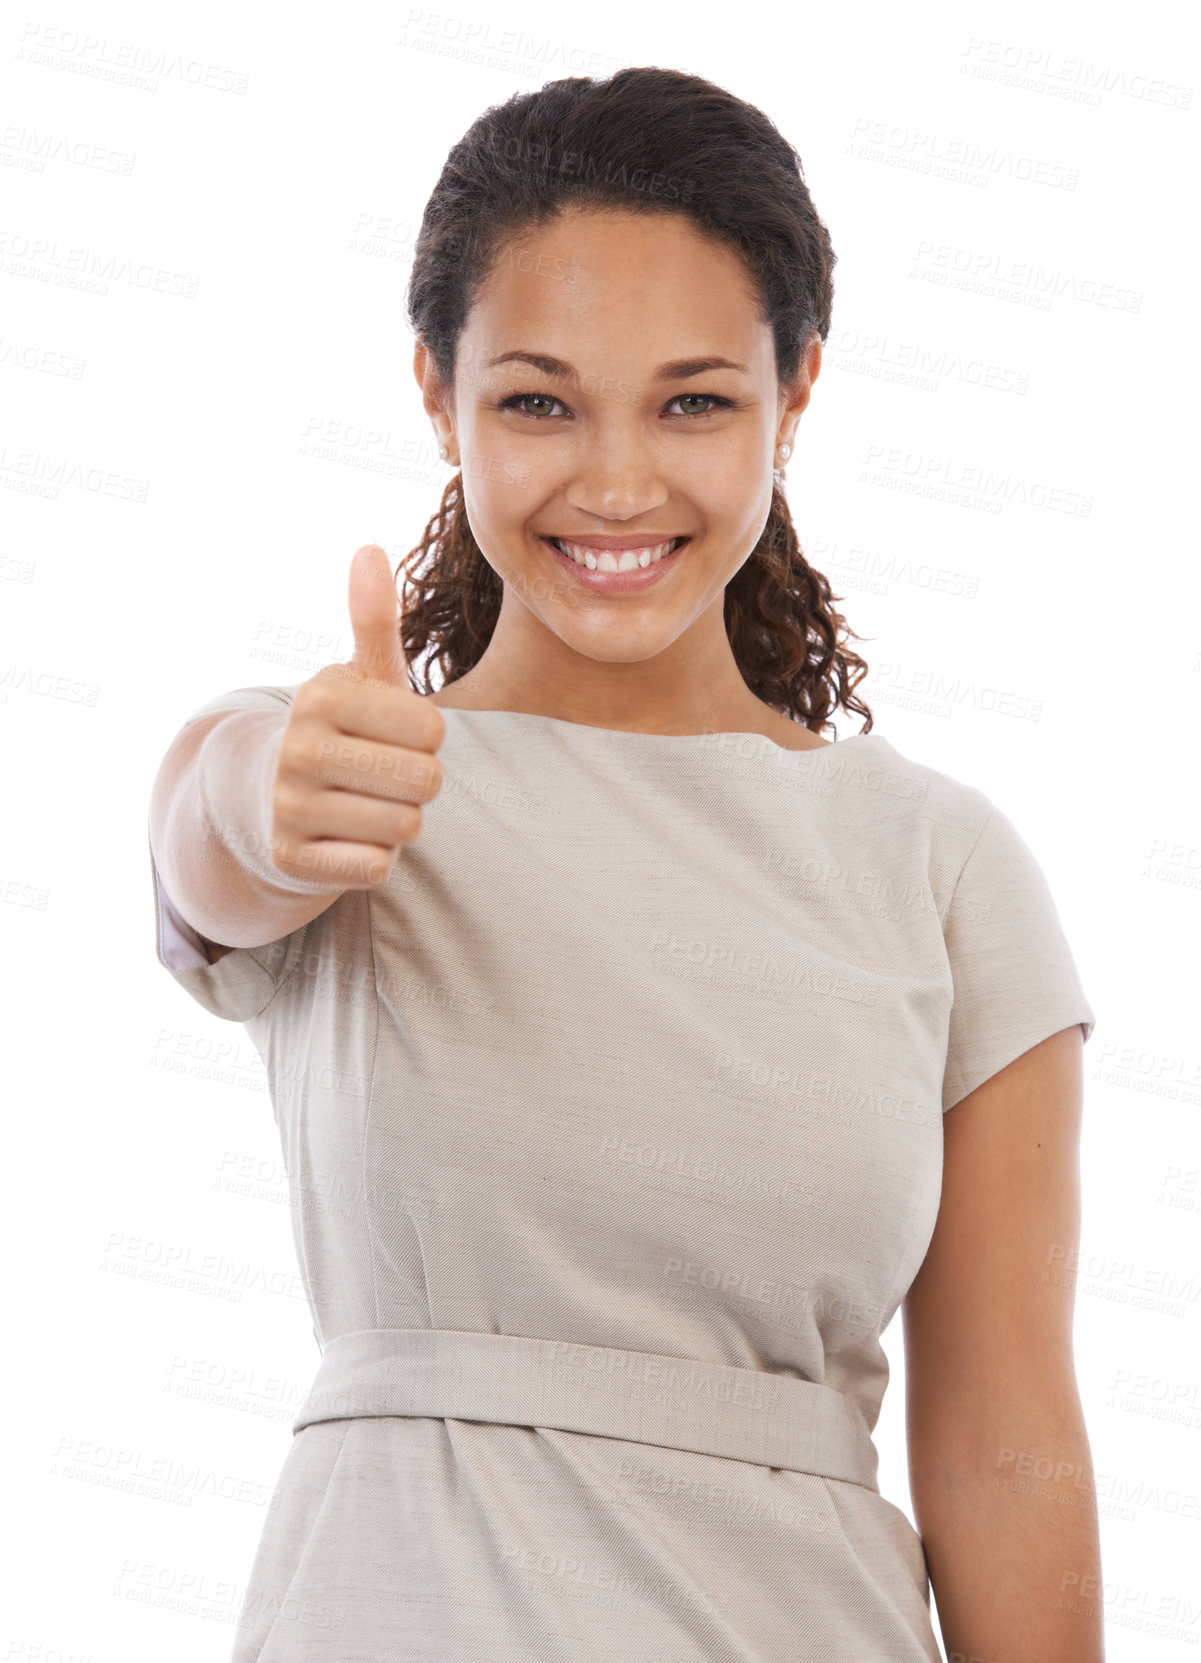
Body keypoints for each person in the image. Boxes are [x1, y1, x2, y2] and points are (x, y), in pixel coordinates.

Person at [147, 66, 1104, 1663]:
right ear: (432, 392)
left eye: (692, 401)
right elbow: (216, 844)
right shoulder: (349, 771)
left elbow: (1004, 1448)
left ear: (793, 394)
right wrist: (264, 801)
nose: (613, 481)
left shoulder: (939, 863)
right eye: (535, 399)